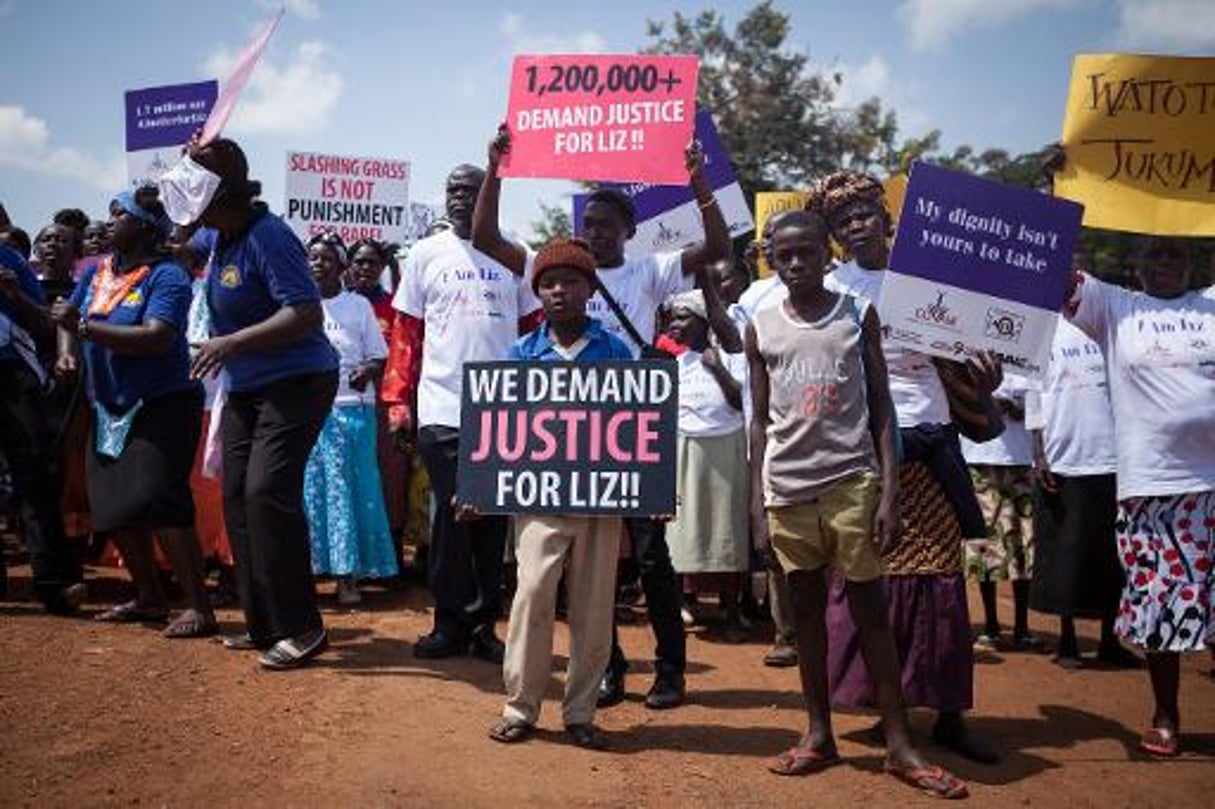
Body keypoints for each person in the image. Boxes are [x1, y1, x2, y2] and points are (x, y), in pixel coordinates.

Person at [472, 124, 730, 709]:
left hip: (632, 431)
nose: (594, 234)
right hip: (568, 436)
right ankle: (608, 669)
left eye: (606, 226)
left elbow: (718, 251)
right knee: (591, 568)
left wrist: (699, 183)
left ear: (629, 233)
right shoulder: (559, 267)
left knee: (651, 554)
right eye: (588, 224)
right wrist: (497, 169)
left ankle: (670, 670)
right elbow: (485, 236)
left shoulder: (650, 270)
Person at [747, 209, 965, 798]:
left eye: (807, 253)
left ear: (827, 255)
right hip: (787, 491)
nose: (795, 264)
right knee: (807, 620)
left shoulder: (856, 314)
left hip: (851, 482)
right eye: (784, 255)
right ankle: (818, 733)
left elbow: (883, 408)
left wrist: (888, 491)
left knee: (871, 618)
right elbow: (760, 423)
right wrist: (755, 510)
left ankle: (899, 745)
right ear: (772, 257)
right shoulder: (760, 325)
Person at [816, 171, 999, 764]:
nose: (856, 224)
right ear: (835, 236)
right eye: (844, 221)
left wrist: (985, 377)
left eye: (865, 212)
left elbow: (970, 356)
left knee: (942, 575)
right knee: (873, 577)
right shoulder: (832, 287)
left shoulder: (931, 279)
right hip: (866, 447)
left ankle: (949, 714)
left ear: (887, 217)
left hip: (935, 437)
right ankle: (882, 706)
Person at [175, 136, 339, 669]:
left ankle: (305, 627)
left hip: (299, 381)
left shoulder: (269, 237)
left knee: (268, 493)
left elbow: (305, 313)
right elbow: (175, 244)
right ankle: (264, 624)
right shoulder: (219, 237)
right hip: (248, 387)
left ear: (221, 196)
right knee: (238, 501)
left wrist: (231, 343)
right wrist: (191, 160)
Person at [381, 161, 540, 663]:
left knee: (491, 519)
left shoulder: (517, 254)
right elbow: (406, 335)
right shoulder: (425, 254)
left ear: (489, 195)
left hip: (503, 408)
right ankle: (448, 622)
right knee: (451, 516)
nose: (459, 198)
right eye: (452, 189)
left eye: (470, 190)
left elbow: (534, 330)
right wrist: (396, 401)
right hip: (442, 406)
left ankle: (483, 627)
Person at [1065, 235, 1214, 757]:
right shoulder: (1115, 307)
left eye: (1177, 253)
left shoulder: (1211, 304)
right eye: (1155, 253)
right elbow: (1052, 273)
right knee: (1159, 605)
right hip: (1151, 486)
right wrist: (1062, 188)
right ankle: (1166, 714)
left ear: (1193, 261)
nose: (1167, 262)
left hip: (1212, 487)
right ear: (1135, 263)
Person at [486, 238, 634, 749]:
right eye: (549, 283)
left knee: (594, 609)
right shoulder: (521, 353)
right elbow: (498, 430)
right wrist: (478, 487)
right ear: (538, 293)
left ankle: (580, 711)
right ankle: (521, 706)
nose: (559, 291)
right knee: (531, 596)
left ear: (589, 289)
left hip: (600, 499)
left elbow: (636, 430)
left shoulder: (616, 352)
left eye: (571, 281)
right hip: (538, 499)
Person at [51, 187, 214, 637]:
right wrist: (68, 350)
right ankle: (148, 598)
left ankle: (199, 607)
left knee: (161, 501)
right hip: (107, 404)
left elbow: (158, 336)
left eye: (118, 214)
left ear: (143, 227)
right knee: (113, 506)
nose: (108, 221)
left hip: (162, 404)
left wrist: (83, 329)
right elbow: (69, 316)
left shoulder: (167, 278)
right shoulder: (97, 272)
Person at [1027, 296, 1135, 669]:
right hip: (1062, 455)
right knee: (1063, 552)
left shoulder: (1108, 324)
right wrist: (1038, 452)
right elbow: (1032, 394)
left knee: (1111, 553)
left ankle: (1110, 640)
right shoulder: (1041, 327)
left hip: (1112, 456)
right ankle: (1068, 641)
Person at [304, 233, 396, 604]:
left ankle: (348, 577)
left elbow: (379, 356)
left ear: (342, 267)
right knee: (311, 494)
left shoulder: (357, 307)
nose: (318, 263)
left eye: (327, 258)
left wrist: (366, 369)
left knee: (351, 493)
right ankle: (311, 570)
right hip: (307, 415)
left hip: (351, 411)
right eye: (312, 257)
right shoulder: (295, 304)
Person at [0, 242, 85, 614]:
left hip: (12, 377)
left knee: (35, 478)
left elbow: (47, 327)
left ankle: (52, 584)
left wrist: (13, 293)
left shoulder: (10, 261)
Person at [664, 288, 749, 642]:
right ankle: (683, 604)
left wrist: (717, 370)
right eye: (673, 318)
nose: (675, 324)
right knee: (682, 532)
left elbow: (739, 402)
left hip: (725, 447)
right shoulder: (675, 364)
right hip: (685, 448)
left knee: (726, 532)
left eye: (683, 317)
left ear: (704, 322)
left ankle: (731, 612)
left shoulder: (729, 357)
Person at [348, 238, 419, 570]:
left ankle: (391, 557)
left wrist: (395, 266)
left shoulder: (393, 307)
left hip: (386, 403)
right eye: (359, 262)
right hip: (348, 406)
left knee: (392, 477)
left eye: (372, 263)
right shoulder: (337, 305)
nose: (365, 268)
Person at [961, 376, 1042, 651]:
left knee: (1024, 546)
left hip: (1020, 460)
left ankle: (1022, 627)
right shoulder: (970, 357)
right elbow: (960, 397)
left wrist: (1020, 409)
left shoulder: (1026, 357)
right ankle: (991, 626)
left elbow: (1038, 402)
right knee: (985, 545)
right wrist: (989, 401)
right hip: (981, 458)